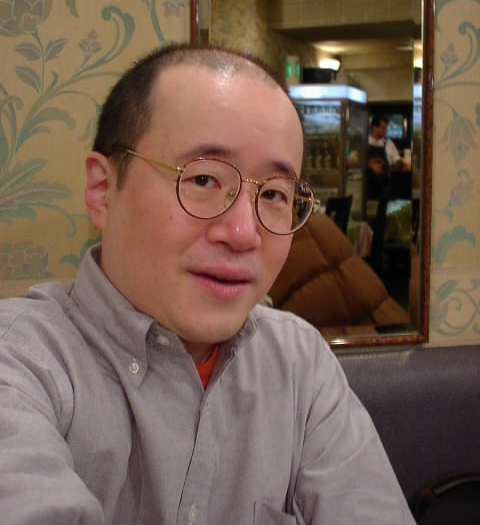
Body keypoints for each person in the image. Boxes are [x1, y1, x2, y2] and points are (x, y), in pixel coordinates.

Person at [0, 45, 415, 524]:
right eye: (202, 180)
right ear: (103, 191)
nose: (243, 233)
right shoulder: (24, 363)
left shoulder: (299, 363)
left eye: (274, 194)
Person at [367, 114, 408, 200]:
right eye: (383, 128)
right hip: (367, 187)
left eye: (386, 128)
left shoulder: (389, 143)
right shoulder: (365, 142)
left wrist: (400, 163)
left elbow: (396, 158)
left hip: (384, 186)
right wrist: (370, 165)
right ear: (375, 127)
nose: (385, 131)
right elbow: (355, 162)